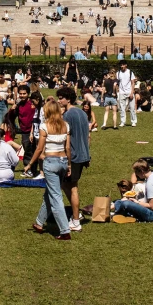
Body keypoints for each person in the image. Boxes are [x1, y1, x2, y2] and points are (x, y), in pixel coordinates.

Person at [24, 99, 73, 240]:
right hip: (63, 161)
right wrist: (69, 165)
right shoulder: (66, 126)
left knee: (56, 196)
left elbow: (40, 148)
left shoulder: (44, 126)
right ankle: (39, 223)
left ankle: (64, 230)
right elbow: (68, 148)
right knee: (49, 193)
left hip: (50, 163)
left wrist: (29, 164)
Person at [58, 87, 90, 234]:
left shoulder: (67, 116)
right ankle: (77, 214)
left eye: (61, 98)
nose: (59, 101)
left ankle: (76, 220)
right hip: (84, 154)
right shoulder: (83, 113)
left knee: (72, 187)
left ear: (68, 99)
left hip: (74, 156)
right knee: (66, 185)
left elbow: (64, 138)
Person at [111, 159, 153, 223]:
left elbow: (152, 206)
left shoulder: (150, 183)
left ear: (142, 171)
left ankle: (119, 215)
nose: (136, 175)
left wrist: (137, 202)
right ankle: (118, 214)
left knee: (126, 203)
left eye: (136, 173)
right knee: (119, 201)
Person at [115, 61, 138, 128]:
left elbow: (133, 83)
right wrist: (117, 91)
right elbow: (117, 83)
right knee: (122, 108)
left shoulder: (130, 72)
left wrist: (132, 92)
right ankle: (123, 122)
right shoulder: (118, 73)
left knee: (132, 108)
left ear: (126, 65)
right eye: (121, 65)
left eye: (123, 65)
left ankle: (133, 121)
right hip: (122, 92)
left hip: (129, 92)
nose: (121, 66)